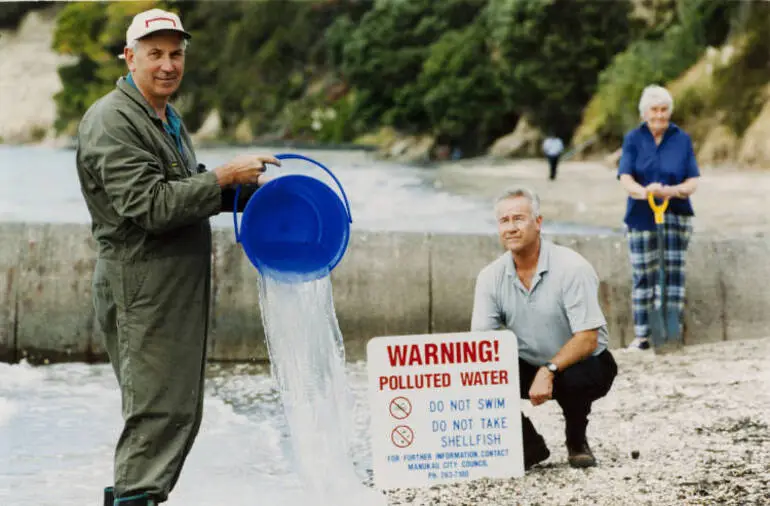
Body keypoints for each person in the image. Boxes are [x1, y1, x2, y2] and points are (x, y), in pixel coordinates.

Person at [75, 9, 279, 506]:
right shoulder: (111, 120)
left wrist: (247, 194)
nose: (167, 65)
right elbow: (151, 205)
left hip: (173, 287)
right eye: (155, 54)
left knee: (174, 408)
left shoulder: (164, 116)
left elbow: (184, 188)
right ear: (130, 58)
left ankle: (136, 495)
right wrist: (225, 178)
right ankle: (134, 498)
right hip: (142, 287)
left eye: (176, 53)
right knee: (156, 413)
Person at [471, 187, 618, 470]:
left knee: (575, 378)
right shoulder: (490, 277)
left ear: (538, 223)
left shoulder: (572, 267)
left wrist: (548, 370)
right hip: (529, 363)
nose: (511, 228)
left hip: (585, 363)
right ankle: (528, 445)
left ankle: (576, 440)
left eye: (519, 219)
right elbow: (481, 346)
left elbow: (588, 339)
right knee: (477, 372)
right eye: (504, 221)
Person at [617, 84, 700, 351]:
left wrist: (671, 191)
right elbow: (625, 177)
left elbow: (692, 180)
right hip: (641, 217)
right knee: (644, 275)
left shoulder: (681, 138)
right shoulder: (633, 139)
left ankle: (671, 333)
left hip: (675, 215)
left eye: (664, 110)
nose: (660, 115)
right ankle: (642, 336)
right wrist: (645, 193)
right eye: (655, 109)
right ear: (644, 113)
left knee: (673, 274)